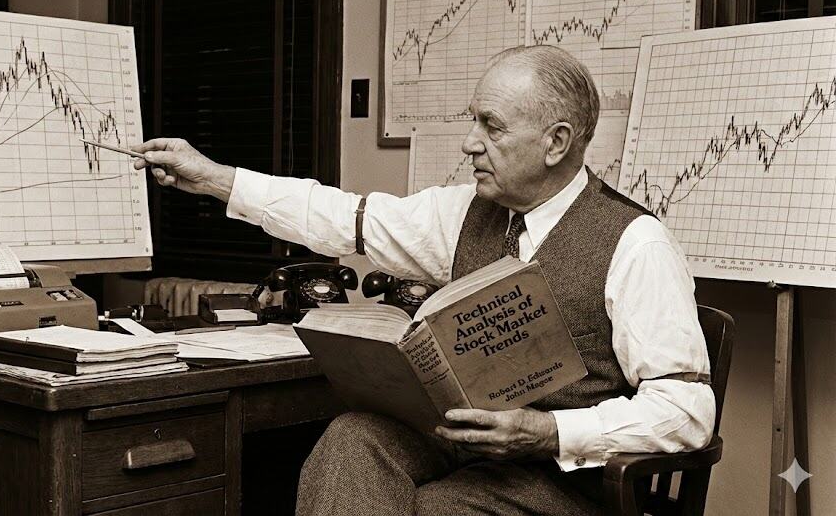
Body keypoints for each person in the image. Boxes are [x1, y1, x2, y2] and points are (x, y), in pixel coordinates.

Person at [131, 45, 714, 516]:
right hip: (462, 447)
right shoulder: (465, 212)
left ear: (556, 143)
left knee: (437, 510)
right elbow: (347, 217)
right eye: (474, 120)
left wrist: (547, 431)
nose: (470, 142)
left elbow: (687, 411)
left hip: (561, 481)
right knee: (350, 442)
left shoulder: (636, 244)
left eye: (491, 127)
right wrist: (215, 179)